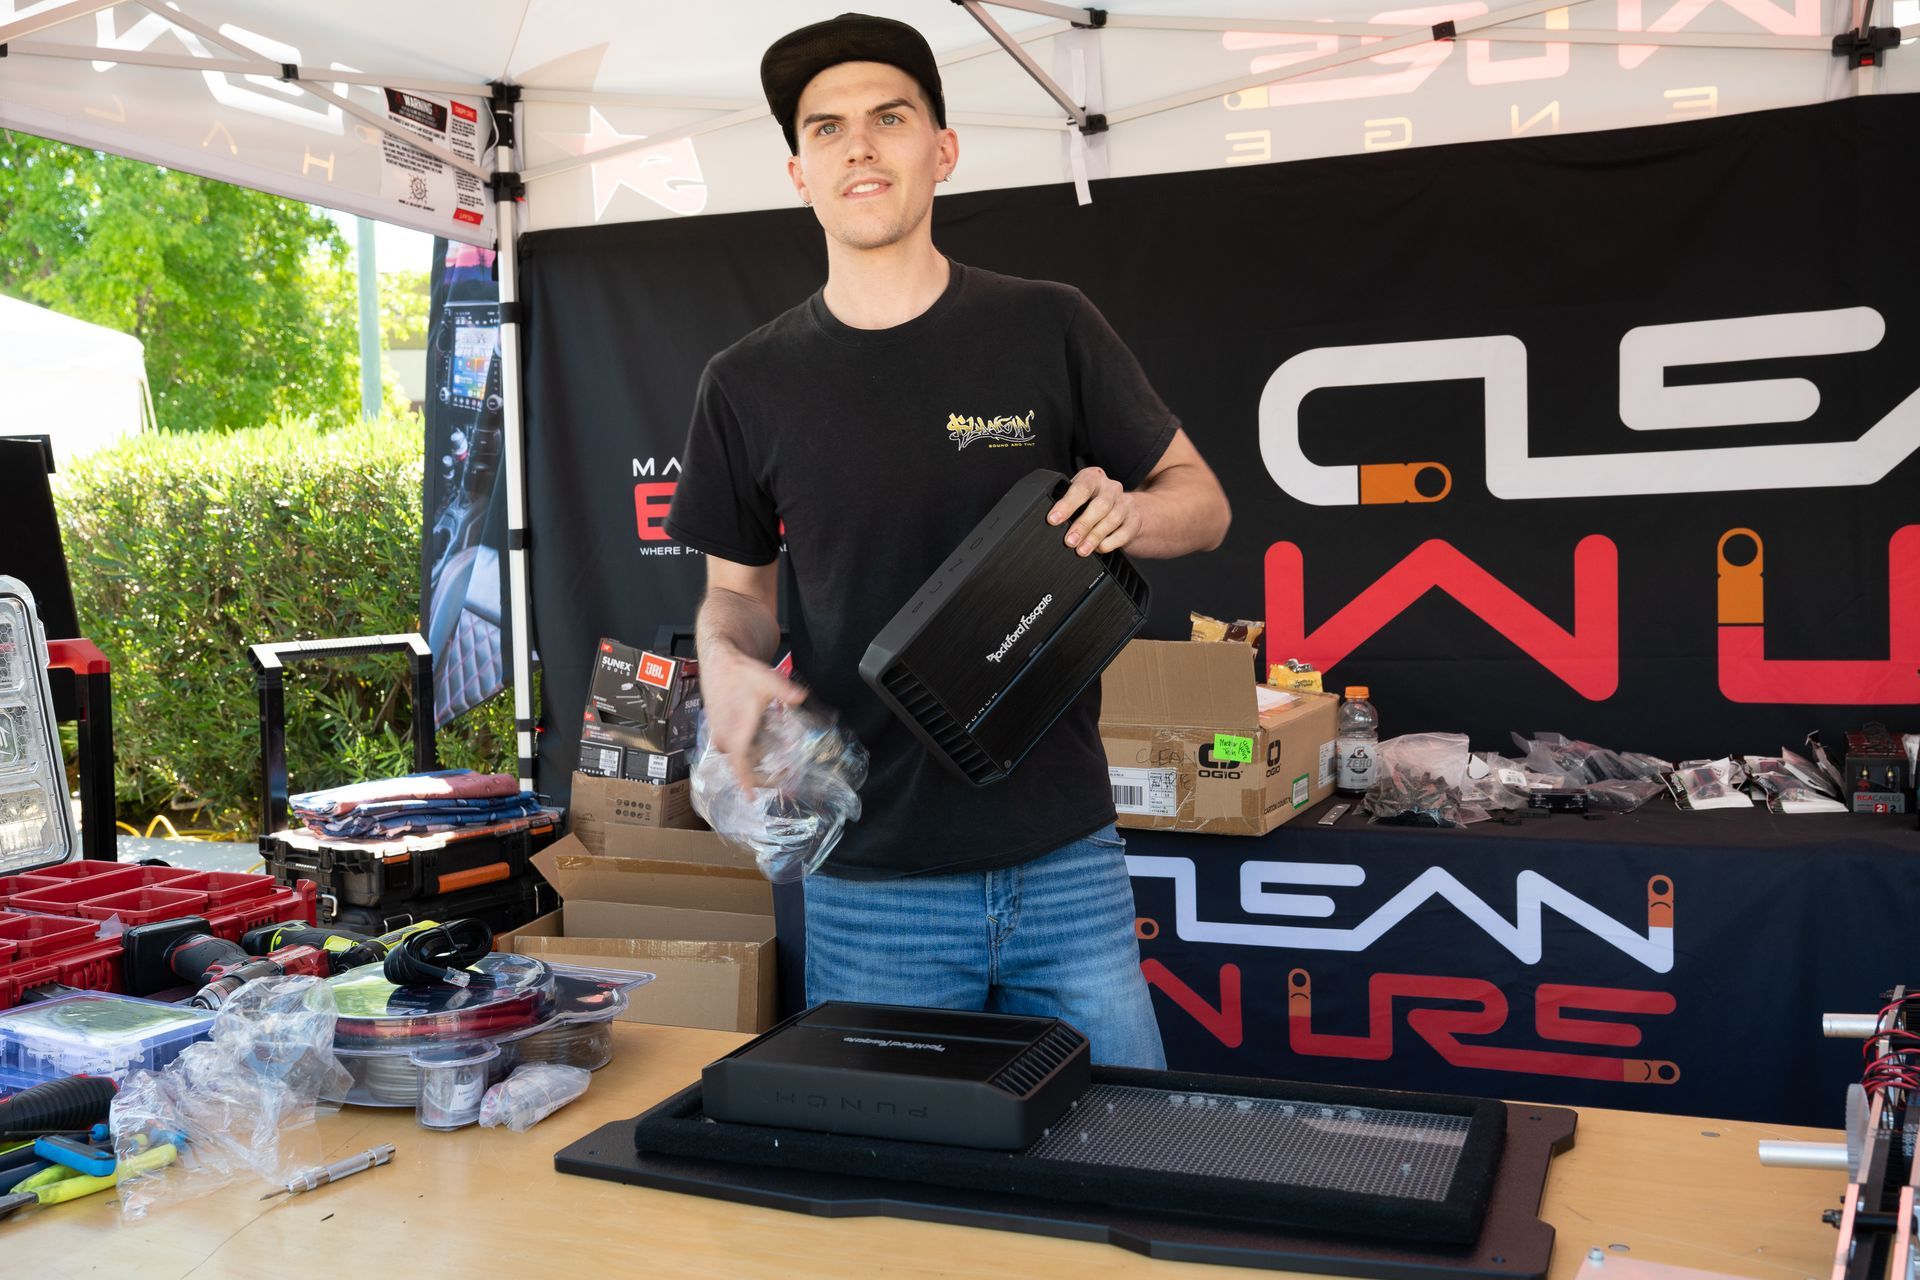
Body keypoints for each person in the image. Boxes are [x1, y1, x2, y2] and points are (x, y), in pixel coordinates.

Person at [664, 13, 1231, 1068]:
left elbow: (1201, 500)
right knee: (902, 1200)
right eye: (826, 129)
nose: (860, 145)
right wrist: (723, 656)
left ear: (943, 148)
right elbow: (739, 595)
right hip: (873, 880)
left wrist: (1136, 514)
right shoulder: (746, 382)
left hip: (1064, 855)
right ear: (799, 171)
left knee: (1117, 1155)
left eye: (889, 117)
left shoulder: (1048, 324)